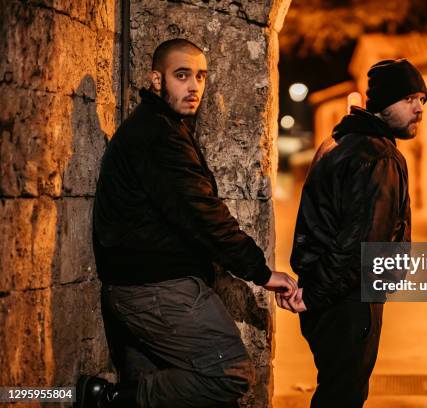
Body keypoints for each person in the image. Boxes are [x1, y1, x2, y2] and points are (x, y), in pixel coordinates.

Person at [76, 38, 297, 408]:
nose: (194, 86)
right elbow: (203, 214)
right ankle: (105, 399)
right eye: (182, 75)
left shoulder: (167, 128)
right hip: (154, 288)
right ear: (156, 80)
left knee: (157, 388)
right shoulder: (157, 135)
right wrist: (262, 272)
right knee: (232, 375)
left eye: (201, 76)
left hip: (148, 283)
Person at [280, 58, 427, 407]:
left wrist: (314, 292)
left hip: (331, 295)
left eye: (422, 99)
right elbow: (361, 247)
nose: (419, 108)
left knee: (335, 390)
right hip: (348, 299)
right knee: (342, 397)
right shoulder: (378, 158)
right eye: (409, 99)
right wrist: (314, 295)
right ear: (382, 104)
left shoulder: (338, 142)